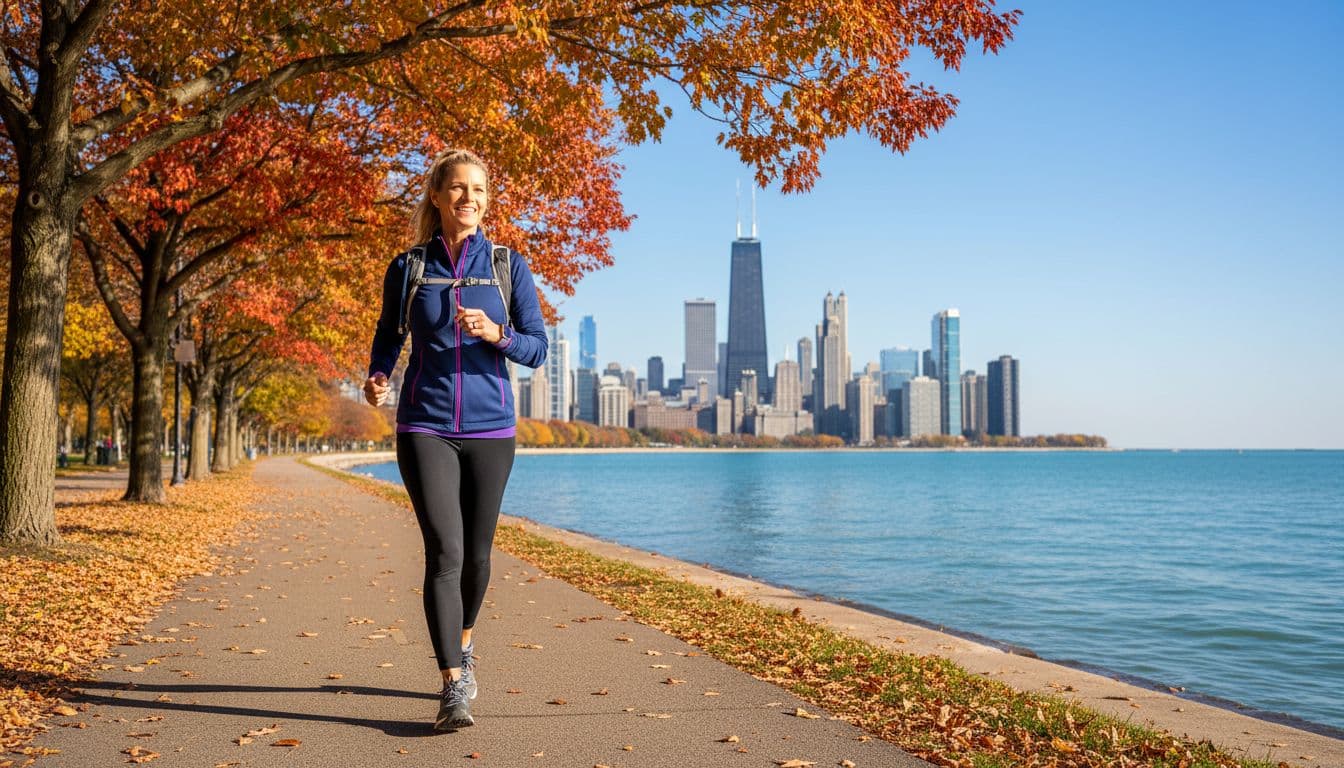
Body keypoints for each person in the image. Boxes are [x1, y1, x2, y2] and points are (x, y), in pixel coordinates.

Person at [363, 149, 547, 732]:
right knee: (444, 552)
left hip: (493, 429)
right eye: (459, 189)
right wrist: (377, 376)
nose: (470, 199)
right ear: (438, 197)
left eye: (480, 190)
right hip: (425, 424)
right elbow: (388, 336)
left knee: (477, 557)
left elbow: (537, 348)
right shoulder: (409, 267)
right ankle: (452, 685)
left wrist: (498, 334)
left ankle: (463, 645)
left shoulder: (507, 265)